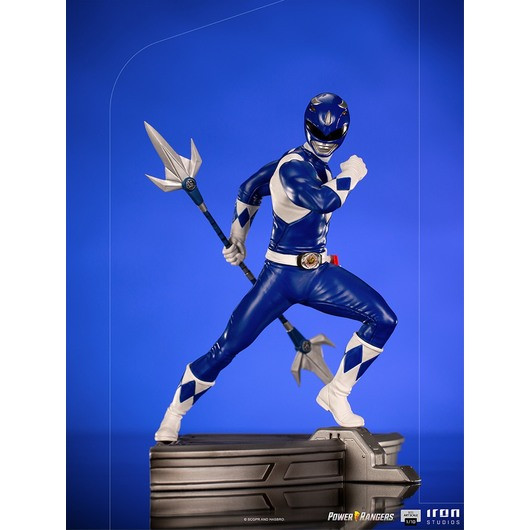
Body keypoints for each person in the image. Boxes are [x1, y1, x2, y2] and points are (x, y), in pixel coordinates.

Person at [154, 92, 397, 443]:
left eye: (333, 135)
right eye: (319, 133)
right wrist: (353, 174)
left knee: (383, 319)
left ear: (343, 132)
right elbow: (323, 200)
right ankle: (173, 414)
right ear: (307, 127)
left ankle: (337, 393)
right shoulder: (292, 167)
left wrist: (238, 236)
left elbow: (250, 187)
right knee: (227, 347)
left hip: (317, 275)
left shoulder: (312, 165)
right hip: (279, 279)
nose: (325, 141)